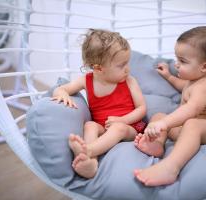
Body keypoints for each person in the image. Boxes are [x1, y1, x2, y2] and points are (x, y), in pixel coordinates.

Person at [134, 26, 206, 186]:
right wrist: (168, 76)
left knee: (191, 124)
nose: (177, 65)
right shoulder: (193, 79)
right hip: (188, 129)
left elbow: (192, 109)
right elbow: (182, 86)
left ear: (205, 67)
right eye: (177, 59)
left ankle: (171, 167)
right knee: (158, 116)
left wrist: (165, 124)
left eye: (182, 61)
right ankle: (157, 145)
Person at [52, 29, 147, 178]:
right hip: (104, 129)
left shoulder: (129, 81)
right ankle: (91, 164)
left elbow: (142, 108)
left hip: (130, 127)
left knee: (118, 128)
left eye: (127, 63)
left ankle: (88, 151)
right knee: (90, 126)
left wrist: (122, 120)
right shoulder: (87, 80)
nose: (127, 69)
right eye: (121, 65)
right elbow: (61, 89)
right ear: (98, 68)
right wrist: (62, 94)